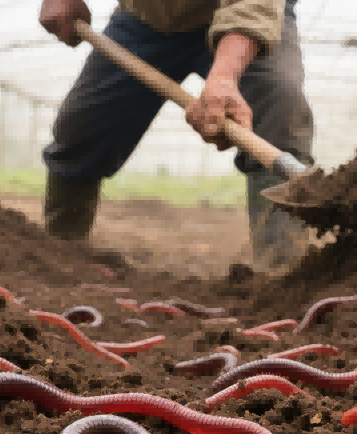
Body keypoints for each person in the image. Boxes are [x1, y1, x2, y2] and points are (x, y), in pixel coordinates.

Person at [38, 0, 315, 273]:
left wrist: (225, 75)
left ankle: (286, 275)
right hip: (145, 18)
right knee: (81, 127)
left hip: (244, 12)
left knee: (279, 108)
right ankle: (60, 257)